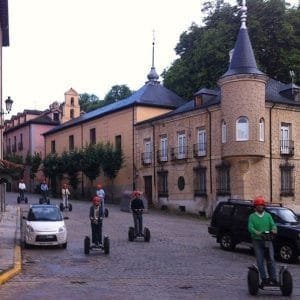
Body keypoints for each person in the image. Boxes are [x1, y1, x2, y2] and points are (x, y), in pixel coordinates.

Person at [248, 196, 278, 286]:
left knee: (271, 259)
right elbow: (250, 227)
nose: (260, 207)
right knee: (260, 260)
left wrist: (274, 229)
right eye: (258, 205)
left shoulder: (268, 216)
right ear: (255, 207)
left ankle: (273, 278)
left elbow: (273, 225)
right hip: (257, 241)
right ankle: (264, 279)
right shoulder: (252, 216)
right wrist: (257, 232)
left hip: (268, 240)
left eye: (262, 205)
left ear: (264, 206)